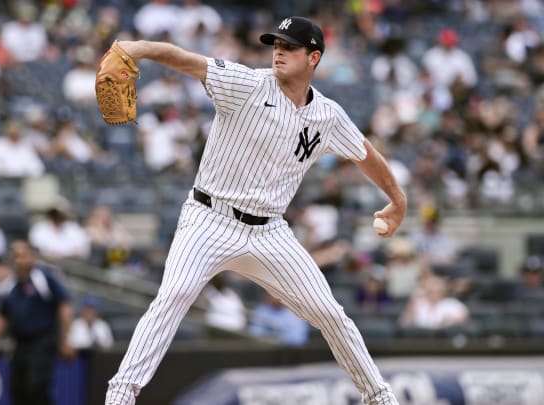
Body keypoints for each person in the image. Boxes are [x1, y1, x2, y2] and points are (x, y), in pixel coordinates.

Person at [105, 16, 406, 405]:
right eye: (276, 44)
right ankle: (120, 395)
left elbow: (366, 154)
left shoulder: (327, 115)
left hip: (269, 233)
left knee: (331, 313)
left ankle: (379, 397)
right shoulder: (246, 84)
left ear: (313, 57)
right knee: (173, 296)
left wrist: (398, 201)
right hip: (208, 218)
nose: (278, 51)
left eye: (289, 46)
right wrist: (137, 48)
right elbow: (187, 60)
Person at [0, 240, 74, 405]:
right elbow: (2, 317)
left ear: (32, 257)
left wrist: (65, 339)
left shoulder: (43, 278)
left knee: (36, 387)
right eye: (15, 256)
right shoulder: (11, 284)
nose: (17, 260)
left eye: (21, 255)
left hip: (43, 341)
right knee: (18, 391)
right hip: (20, 344)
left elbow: (64, 306)